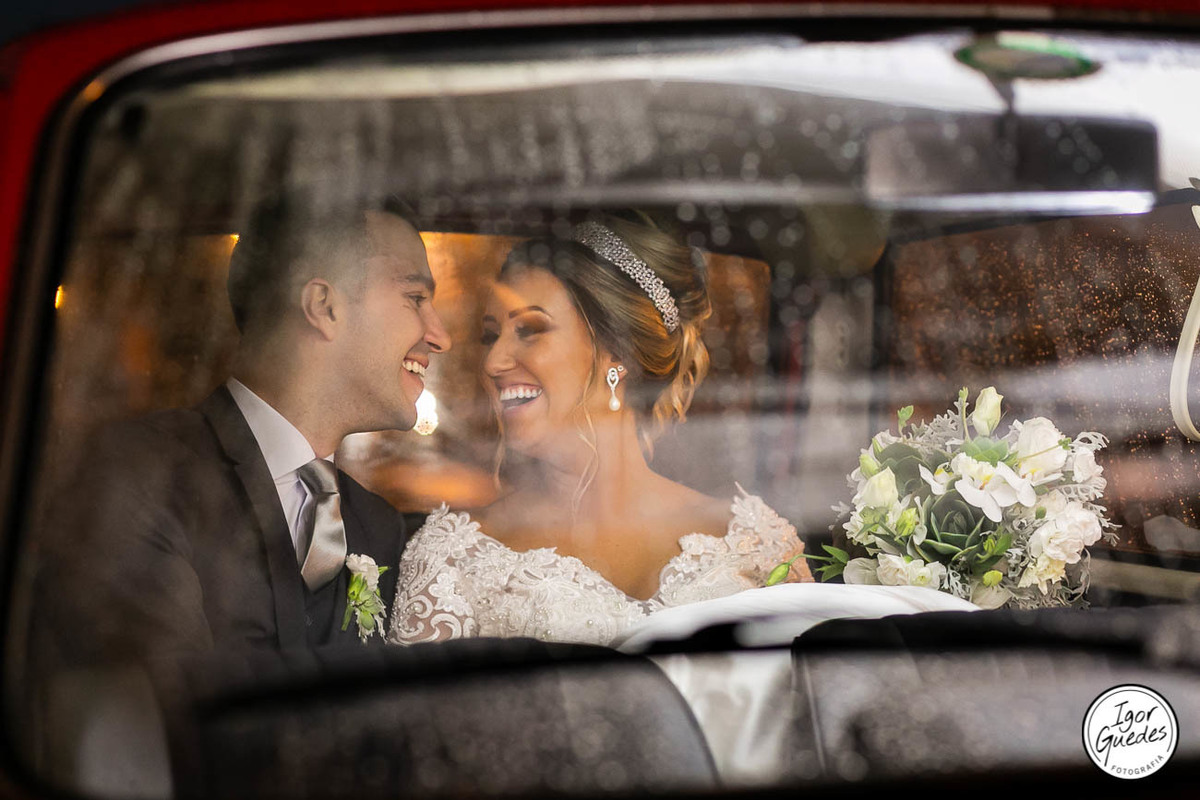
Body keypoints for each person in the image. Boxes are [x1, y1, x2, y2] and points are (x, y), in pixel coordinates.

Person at [40, 194, 451, 666]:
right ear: (324, 306)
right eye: (416, 298)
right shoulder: (139, 475)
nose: (441, 336)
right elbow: (172, 709)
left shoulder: (378, 527)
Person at [388, 213, 810, 648]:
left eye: (529, 330)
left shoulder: (756, 541)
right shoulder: (453, 557)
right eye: (490, 336)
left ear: (617, 351)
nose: (493, 362)